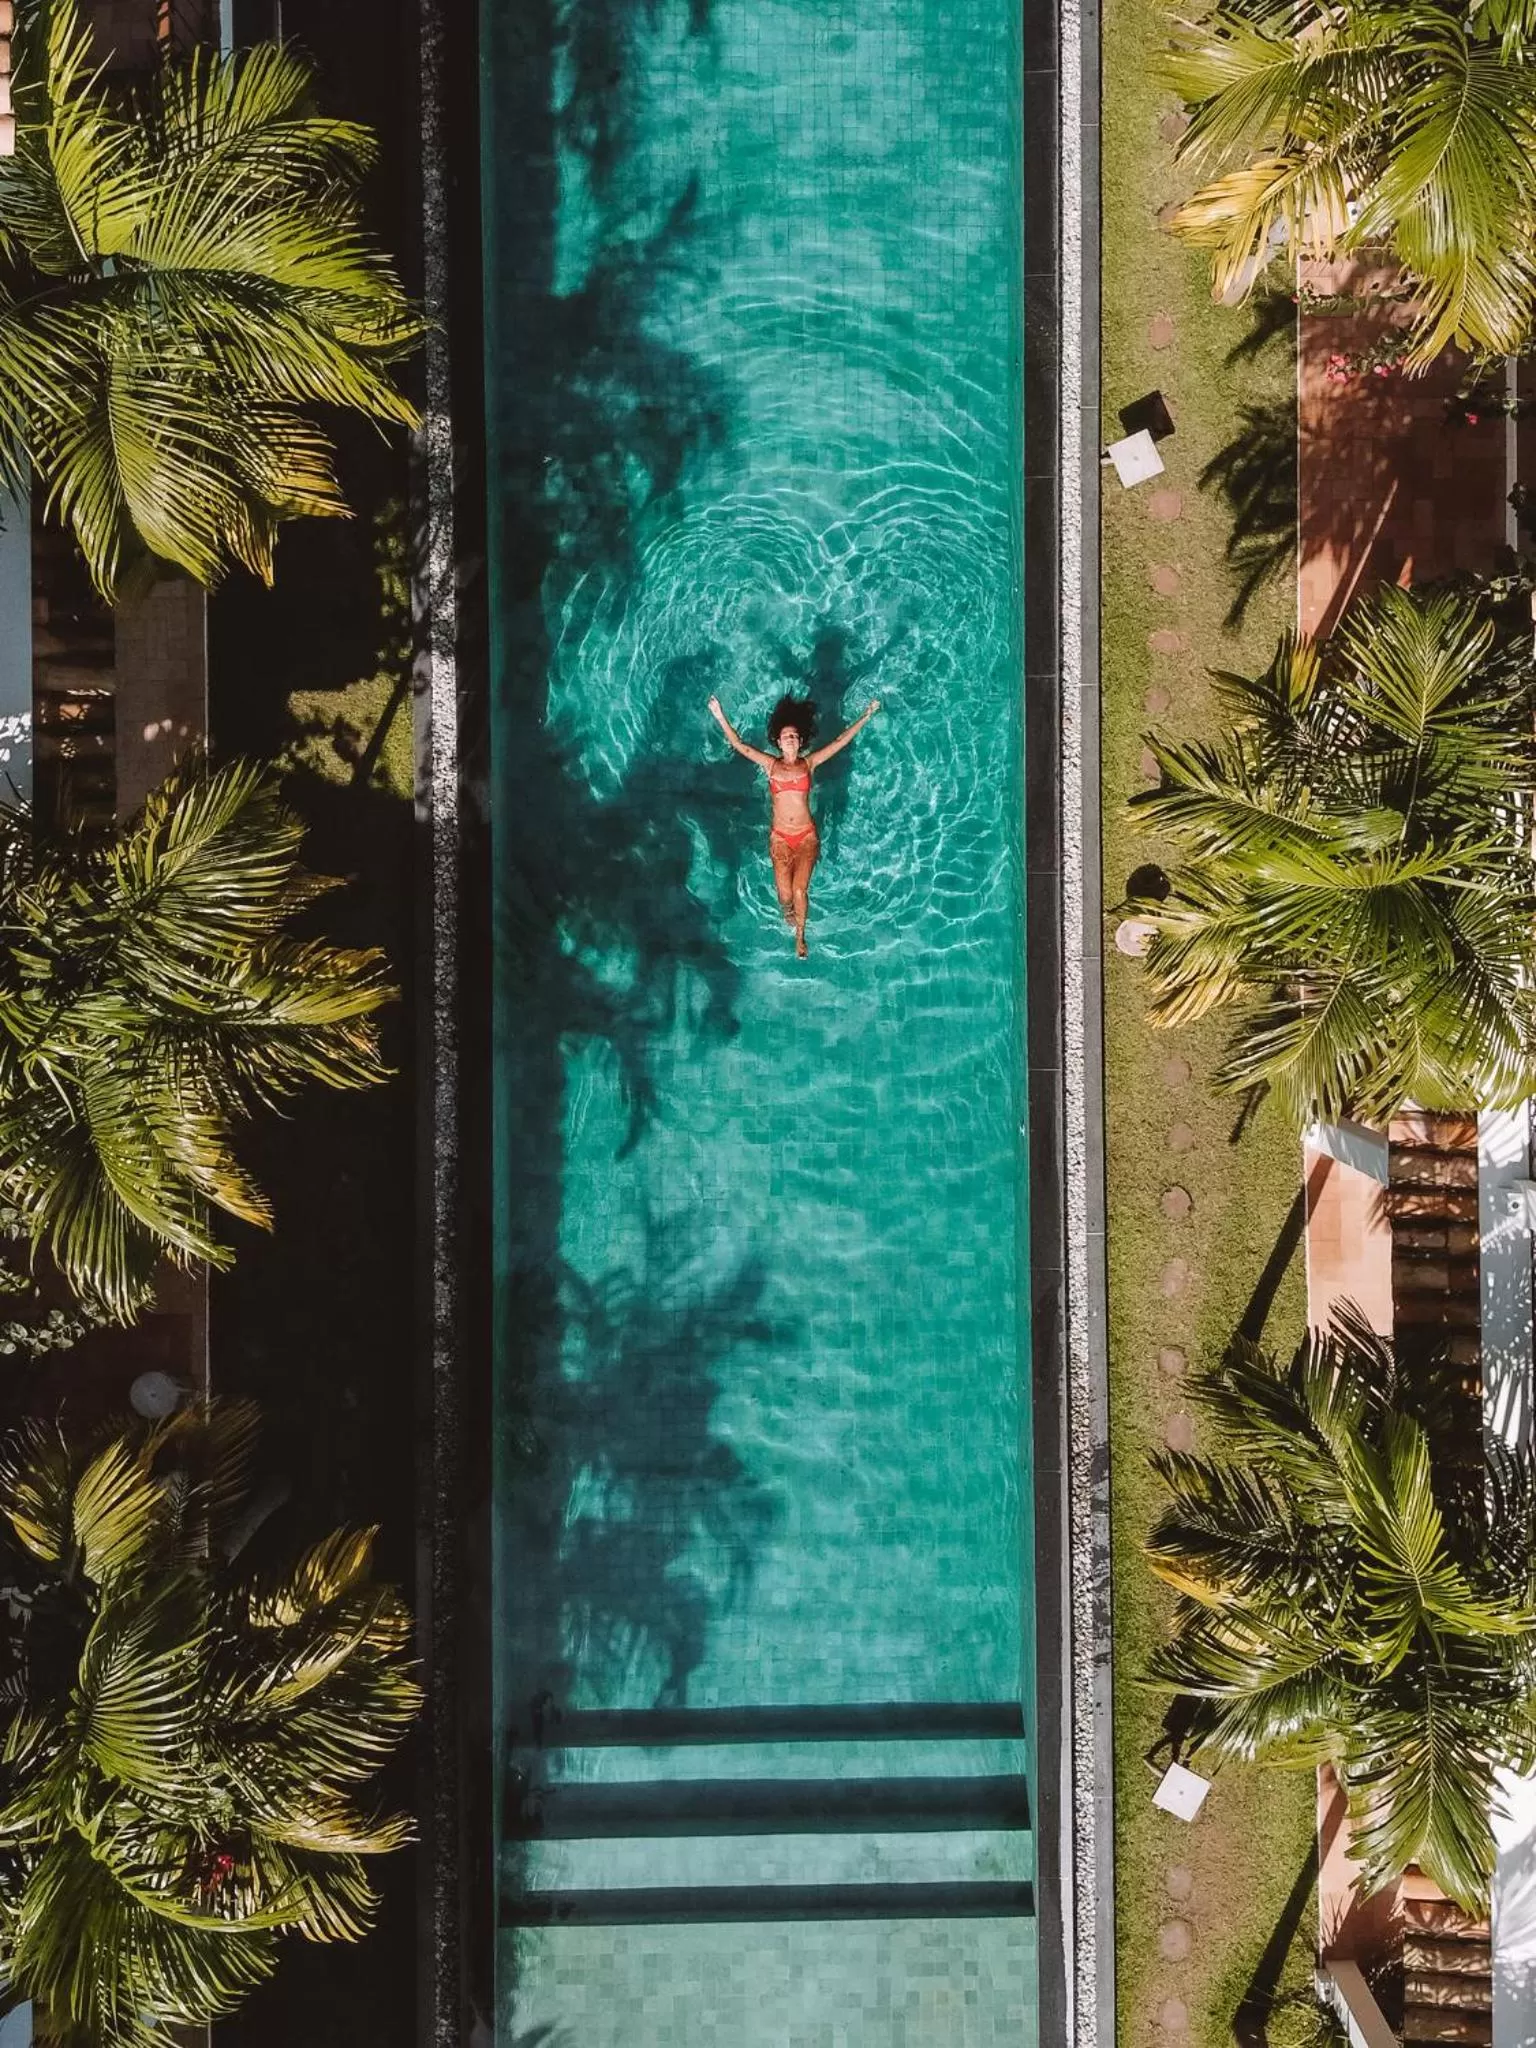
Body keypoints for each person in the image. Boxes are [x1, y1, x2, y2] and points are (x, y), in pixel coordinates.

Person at [707, 690, 881, 957]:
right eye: (786, 736)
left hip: (806, 836)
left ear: (800, 742)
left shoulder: (808, 763)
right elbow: (740, 745)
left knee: (800, 890)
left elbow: (840, 741)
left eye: (795, 736)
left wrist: (866, 715)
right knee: (785, 896)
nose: (791, 739)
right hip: (779, 838)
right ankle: (788, 912)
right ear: (778, 741)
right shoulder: (771, 765)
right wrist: (720, 716)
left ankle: (800, 936)